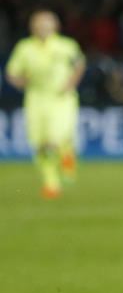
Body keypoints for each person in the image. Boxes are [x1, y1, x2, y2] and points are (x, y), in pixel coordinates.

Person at [4, 10, 86, 198]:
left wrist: (71, 83)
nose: (42, 28)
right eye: (38, 24)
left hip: (61, 98)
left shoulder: (66, 46)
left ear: (54, 26)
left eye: (46, 24)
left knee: (52, 140)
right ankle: (51, 183)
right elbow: (12, 73)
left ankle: (66, 154)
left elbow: (79, 64)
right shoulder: (24, 48)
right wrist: (21, 83)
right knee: (39, 144)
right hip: (35, 99)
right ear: (32, 27)